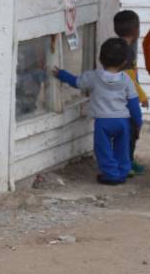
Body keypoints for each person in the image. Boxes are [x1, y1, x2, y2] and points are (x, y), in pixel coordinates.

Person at [51, 38, 143, 186]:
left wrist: (62, 74)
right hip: (122, 121)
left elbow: (77, 82)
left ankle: (111, 174)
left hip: (103, 122)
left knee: (103, 149)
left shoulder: (94, 76)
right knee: (122, 148)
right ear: (125, 61)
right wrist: (138, 122)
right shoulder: (127, 79)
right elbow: (133, 103)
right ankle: (122, 172)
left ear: (100, 59)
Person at [113, 9, 149, 176]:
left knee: (121, 133)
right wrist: (142, 96)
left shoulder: (114, 48)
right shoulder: (128, 52)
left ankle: (122, 161)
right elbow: (130, 80)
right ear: (136, 30)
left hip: (114, 98)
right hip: (128, 99)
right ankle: (127, 163)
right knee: (132, 131)